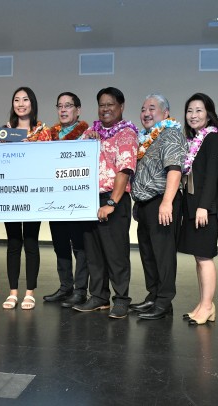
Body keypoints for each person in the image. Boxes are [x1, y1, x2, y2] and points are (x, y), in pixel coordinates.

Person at [73, 87, 138, 319]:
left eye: (111, 104)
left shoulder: (127, 133)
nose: (106, 108)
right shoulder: (92, 131)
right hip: (90, 199)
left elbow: (125, 170)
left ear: (121, 107)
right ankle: (99, 296)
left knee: (116, 253)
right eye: (102, 104)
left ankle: (121, 299)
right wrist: (86, 140)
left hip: (114, 198)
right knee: (94, 253)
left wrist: (111, 202)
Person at [130, 94, 187, 320]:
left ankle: (164, 300)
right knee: (148, 253)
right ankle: (153, 295)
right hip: (145, 204)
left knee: (163, 254)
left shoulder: (171, 134)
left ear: (166, 113)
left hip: (163, 201)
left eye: (152, 108)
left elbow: (174, 169)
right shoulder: (146, 138)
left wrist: (166, 202)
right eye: (143, 108)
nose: (146, 112)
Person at [1, 86, 52, 310]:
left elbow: (48, 159)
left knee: (31, 242)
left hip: (34, 195)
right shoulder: (4, 131)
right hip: (11, 195)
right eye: (16, 100)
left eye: (25, 99)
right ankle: (13, 292)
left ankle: (29, 292)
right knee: (13, 243)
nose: (21, 104)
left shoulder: (43, 131)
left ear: (32, 103)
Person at [177, 93, 218, 325]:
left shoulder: (212, 138)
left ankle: (207, 305)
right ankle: (205, 304)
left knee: (205, 258)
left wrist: (204, 206)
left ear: (208, 114)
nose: (193, 115)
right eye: (189, 110)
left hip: (205, 208)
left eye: (198, 110)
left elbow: (213, 175)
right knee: (199, 257)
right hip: (193, 206)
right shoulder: (194, 139)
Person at [42, 92, 91, 308]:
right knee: (60, 244)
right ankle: (65, 287)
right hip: (55, 198)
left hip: (78, 198)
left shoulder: (88, 134)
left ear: (77, 110)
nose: (63, 110)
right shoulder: (49, 135)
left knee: (79, 247)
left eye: (68, 106)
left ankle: (80, 291)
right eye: (59, 106)